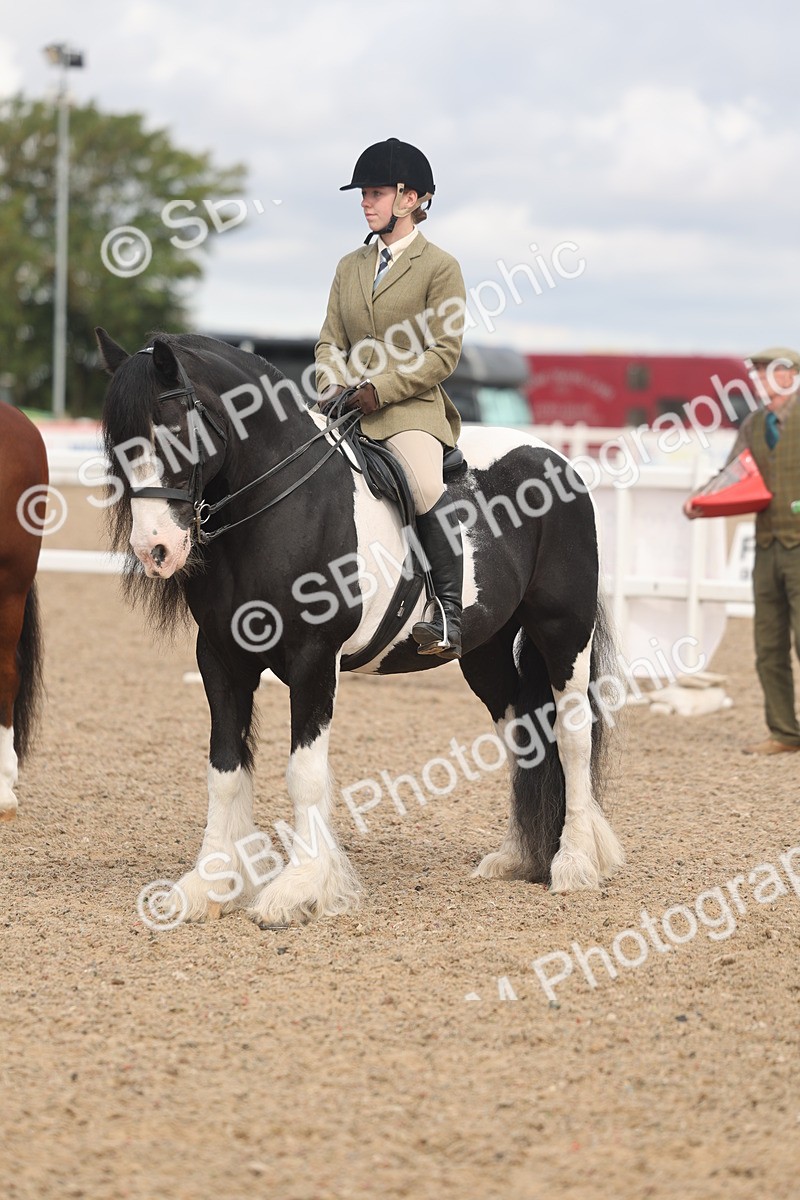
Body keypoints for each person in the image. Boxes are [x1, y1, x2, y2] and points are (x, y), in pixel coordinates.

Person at [315, 138, 467, 659]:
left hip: (409, 409)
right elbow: (330, 340)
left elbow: (443, 353)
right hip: (344, 405)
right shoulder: (348, 265)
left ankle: (447, 613)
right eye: (364, 194)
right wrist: (331, 384)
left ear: (410, 199)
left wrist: (380, 389)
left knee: (424, 485)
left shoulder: (439, 267)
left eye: (376, 193)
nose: (365, 202)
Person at [684, 347, 800, 755]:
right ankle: (784, 732)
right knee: (768, 645)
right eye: (762, 373)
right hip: (767, 547)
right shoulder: (754, 424)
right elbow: (733, 472)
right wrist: (702, 499)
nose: (765, 380)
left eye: (774, 372)